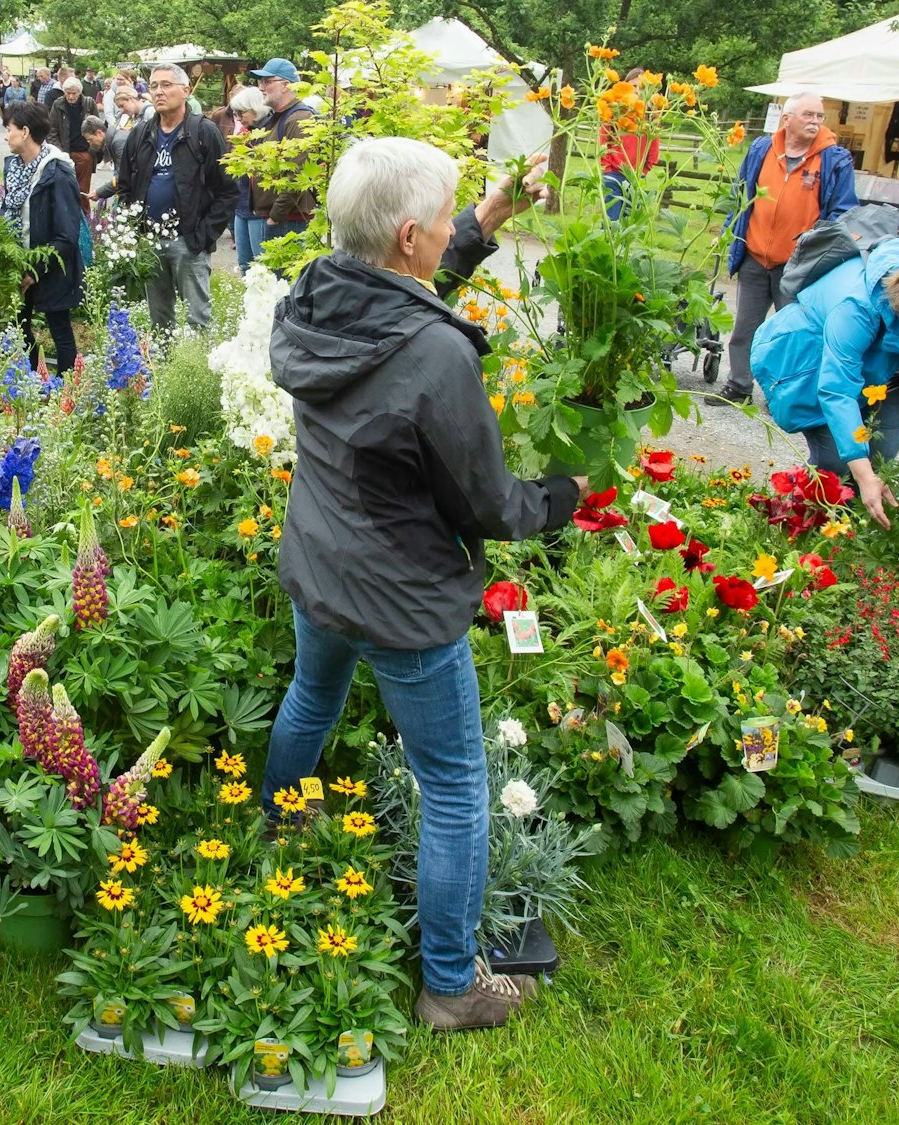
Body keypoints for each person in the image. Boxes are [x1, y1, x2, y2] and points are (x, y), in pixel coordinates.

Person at [261, 138, 569, 1031]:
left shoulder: (319, 291)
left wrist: (483, 225)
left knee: (312, 696)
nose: (447, 232)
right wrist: (562, 497)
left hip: (321, 561)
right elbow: (488, 502)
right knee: (455, 780)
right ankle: (449, 983)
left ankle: (278, 830)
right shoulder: (437, 356)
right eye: (441, 223)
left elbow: (396, 308)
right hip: (401, 598)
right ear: (406, 236)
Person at [750, 241, 899, 523]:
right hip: (817, 366)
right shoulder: (857, 307)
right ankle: (797, 529)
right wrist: (864, 476)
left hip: (891, 379)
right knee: (835, 463)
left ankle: (847, 537)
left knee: (881, 458)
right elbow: (837, 391)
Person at [721, 93, 858, 405]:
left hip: (799, 264)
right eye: (808, 115)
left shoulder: (834, 159)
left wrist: (817, 247)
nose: (815, 122)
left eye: (819, 116)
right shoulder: (761, 149)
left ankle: (782, 396)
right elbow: (740, 193)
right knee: (745, 328)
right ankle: (738, 385)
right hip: (754, 255)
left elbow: (843, 212)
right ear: (787, 119)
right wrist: (730, 230)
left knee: (793, 334)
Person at [114, 64, 234, 332]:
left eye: (166, 85)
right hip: (150, 243)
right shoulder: (141, 134)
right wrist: (135, 230)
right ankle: (162, 369)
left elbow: (227, 190)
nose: (158, 91)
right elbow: (125, 185)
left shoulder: (203, 132)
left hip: (188, 241)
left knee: (197, 319)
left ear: (185, 90)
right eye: (154, 85)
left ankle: (197, 369)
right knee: (159, 320)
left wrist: (201, 237)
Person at [0, 102, 85, 377]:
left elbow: (67, 235)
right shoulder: (14, 167)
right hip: (17, 263)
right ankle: (34, 383)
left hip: (51, 266)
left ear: (25, 132)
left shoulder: (57, 172)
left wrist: (35, 270)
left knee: (58, 327)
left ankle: (68, 388)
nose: (5, 135)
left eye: (8, 129)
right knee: (19, 325)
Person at [248, 58, 317, 249]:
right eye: (260, 81)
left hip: (289, 220)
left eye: (267, 81)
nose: (261, 87)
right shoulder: (276, 117)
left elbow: (297, 175)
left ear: (286, 85)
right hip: (272, 216)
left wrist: (275, 217)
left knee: (277, 278)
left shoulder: (299, 118)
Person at [601, 67, 662, 220]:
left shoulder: (651, 115)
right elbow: (603, 139)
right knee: (611, 222)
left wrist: (645, 170)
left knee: (629, 223)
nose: (636, 91)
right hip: (614, 173)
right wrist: (607, 166)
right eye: (633, 86)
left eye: (641, 87)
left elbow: (654, 145)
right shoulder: (614, 110)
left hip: (636, 176)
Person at [223, 86, 268, 273]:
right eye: (236, 113)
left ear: (256, 108)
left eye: (242, 112)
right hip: (241, 206)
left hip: (258, 209)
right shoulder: (243, 132)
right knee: (244, 265)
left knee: (261, 267)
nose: (239, 117)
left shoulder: (267, 132)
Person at [48, 77, 95, 196]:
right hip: (64, 152)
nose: (70, 97)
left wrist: (92, 150)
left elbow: (97, 128)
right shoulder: (58, 104)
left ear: (79, 92)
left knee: (83, 190)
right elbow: (52, 131)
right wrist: (59, 152)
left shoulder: (89, 104)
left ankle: (83, 213)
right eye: (67, 93)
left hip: (84, 152)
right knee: (64, 188)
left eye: (73, 93)